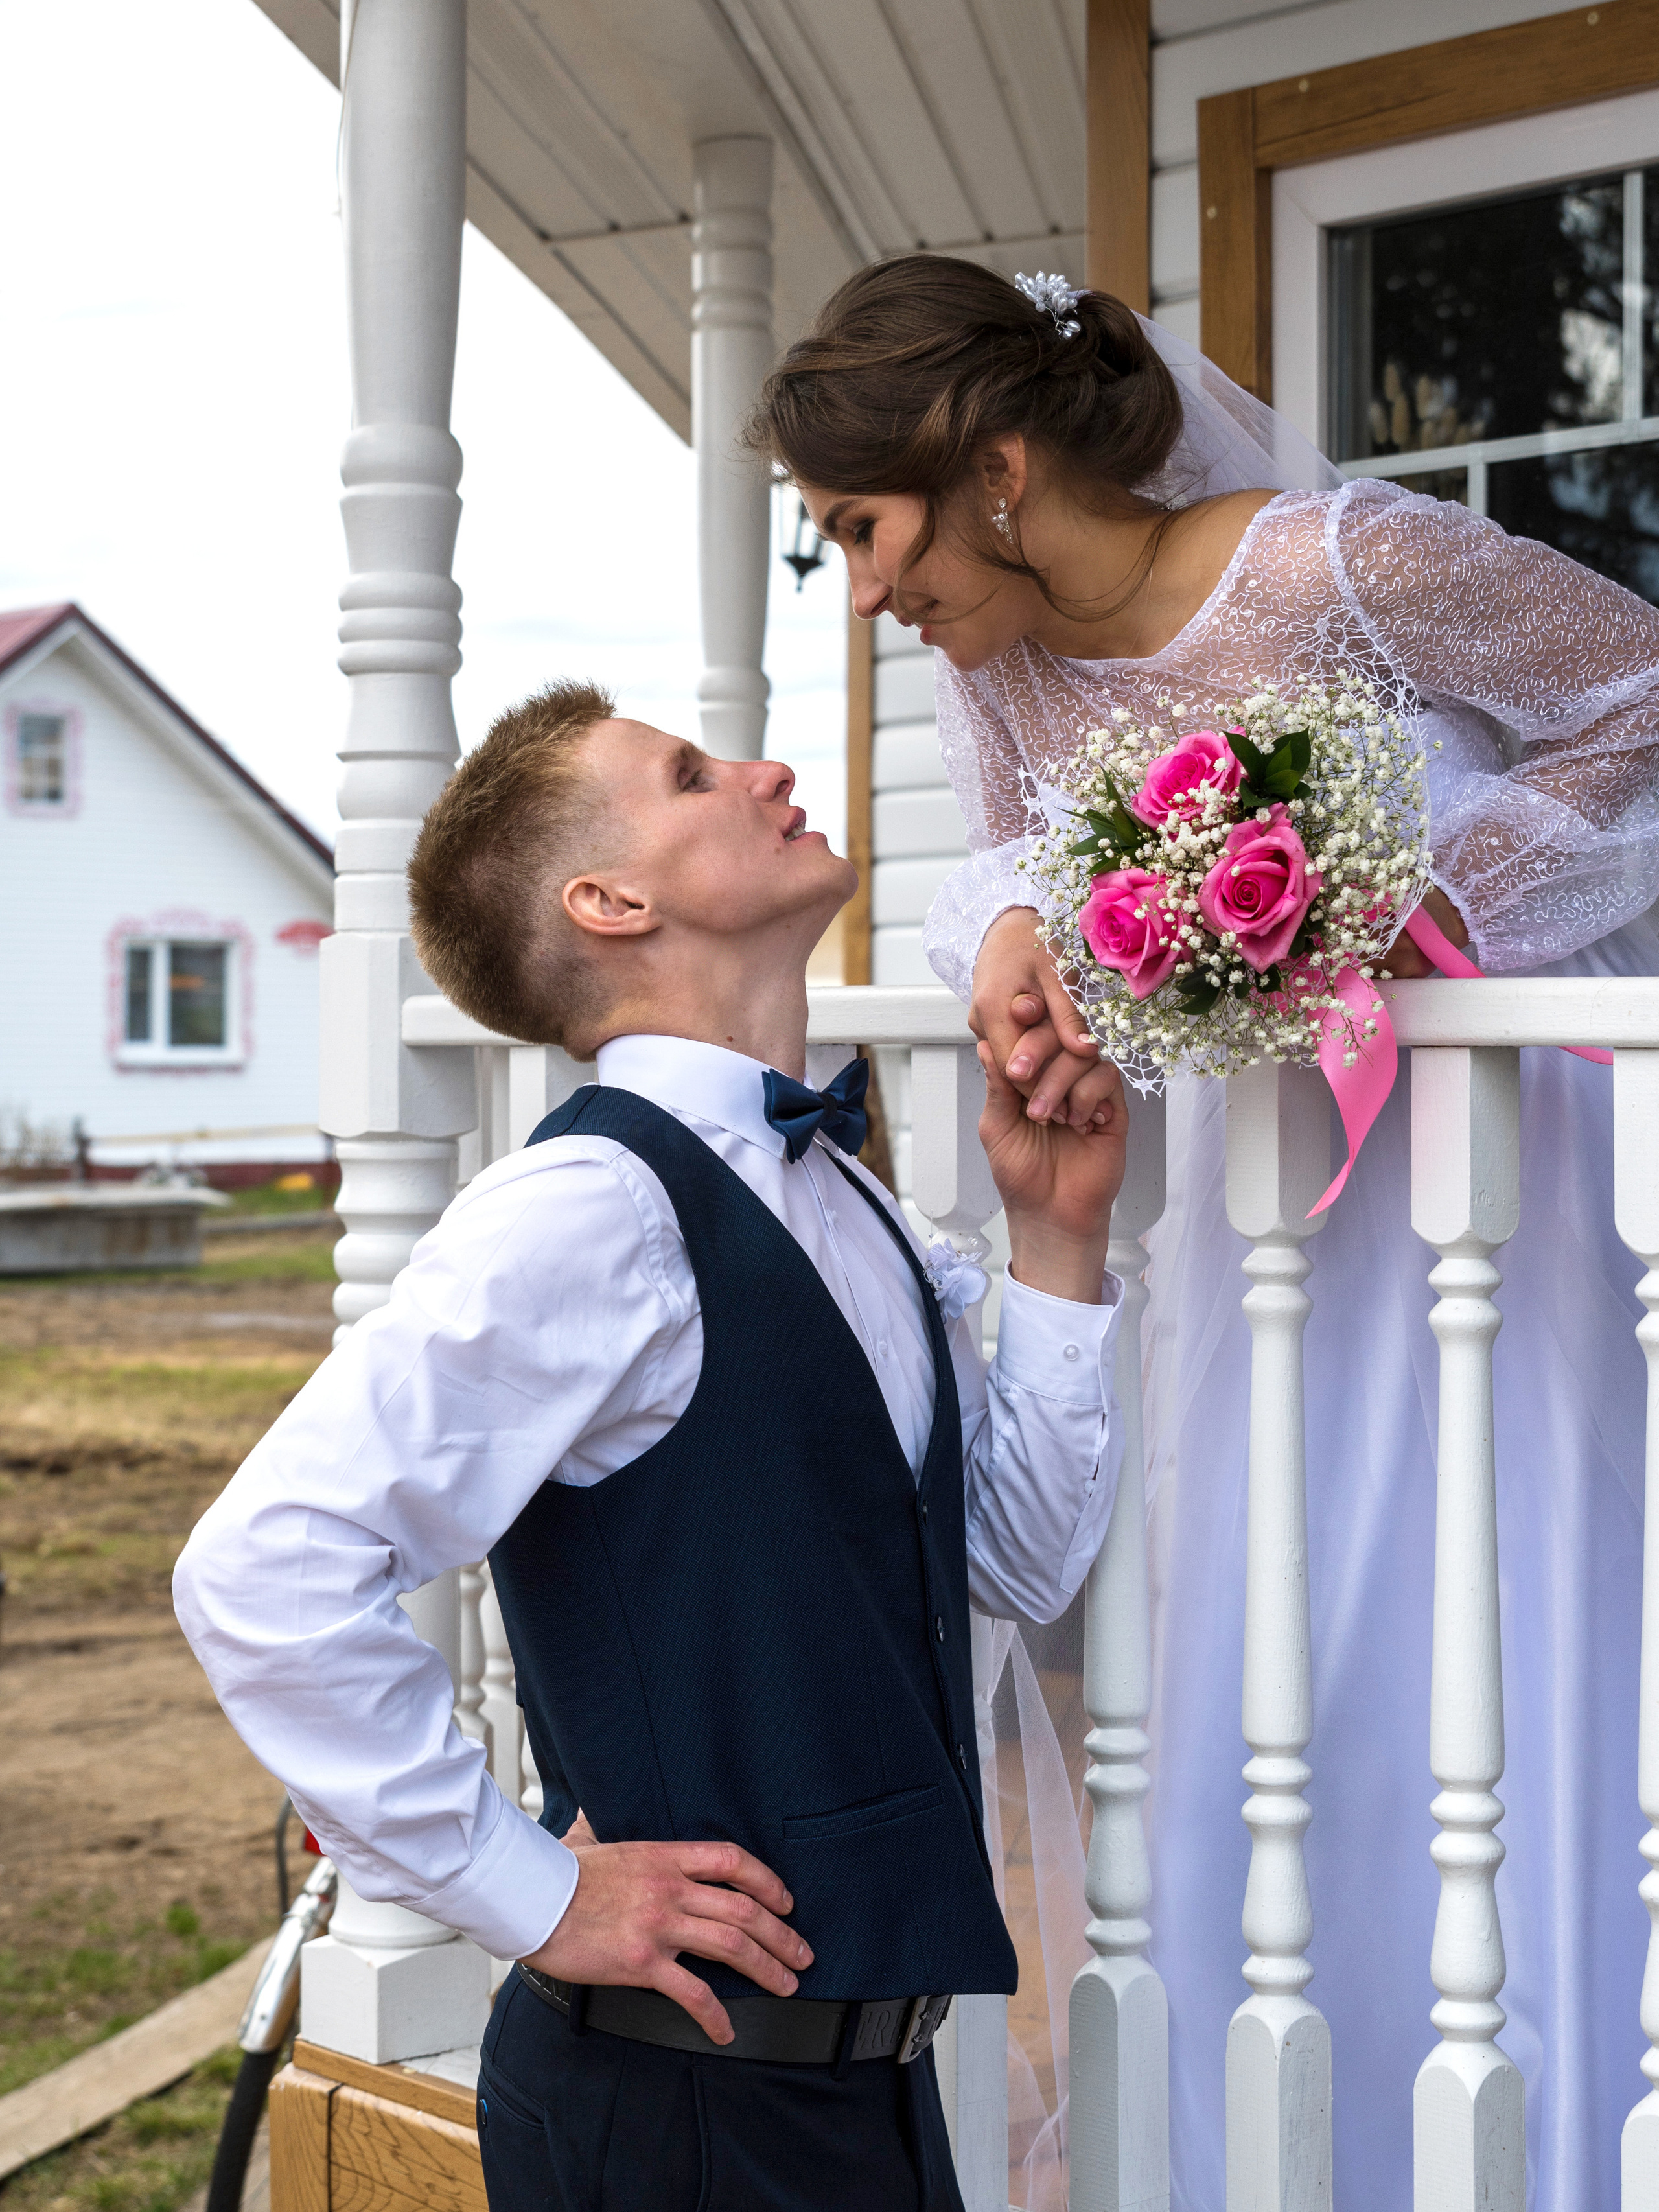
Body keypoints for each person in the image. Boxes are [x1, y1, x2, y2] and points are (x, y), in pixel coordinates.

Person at [748, 253, 1659, 2212]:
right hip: (1242, 1230)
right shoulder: (992, 662)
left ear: (994, 468)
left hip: (1486, 1204)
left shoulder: (1349, 567)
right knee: (1273, 1645)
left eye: (863, 528)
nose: (871, 585)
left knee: (1508, 1618)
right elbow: (1006, 863)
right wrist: (1009, 942)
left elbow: (1638, 698)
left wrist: (1412, 916)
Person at [173, 678, 1133, 2212]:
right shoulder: (589, 1210)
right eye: (692, 775)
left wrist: (1055, 1239)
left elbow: (1010, 1558)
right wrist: (530, 1890)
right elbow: (260, 1572)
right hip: (679, 2112)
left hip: (868, 2103)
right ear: (608, 901)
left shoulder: (845, 1198)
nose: (764, 770)